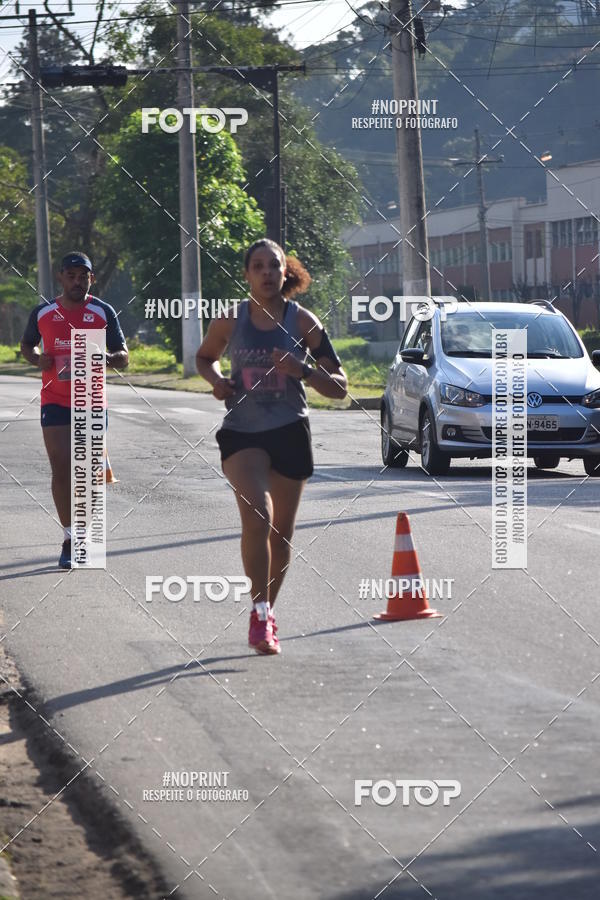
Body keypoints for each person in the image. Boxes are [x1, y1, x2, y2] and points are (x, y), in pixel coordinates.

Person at [196, 238, 348, 655]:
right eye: (257, 266)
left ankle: (264, 612)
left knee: (281, 536)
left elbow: (340, 388)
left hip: (289, 432)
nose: (266, 273)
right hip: (242, 433)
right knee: (258, 517)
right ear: (246, 274)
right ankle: (261, 613)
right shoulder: (229, 320)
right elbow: (205, 357)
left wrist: (301, 369)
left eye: (273, 266)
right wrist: (217, 382)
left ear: (286, 273)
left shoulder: (303, 323)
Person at [20, 251, 128, 569]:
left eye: (84, 276)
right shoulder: (43, 312)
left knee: (88, 475)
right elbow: (28, 345)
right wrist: (36, 358)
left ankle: (82, 532)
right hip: (54, 400)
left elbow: (123, 354)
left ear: (91, 279)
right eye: (72, 275)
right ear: (61, 278)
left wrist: (105, 359)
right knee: (62, 470)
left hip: (92, 400)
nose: (78, 281)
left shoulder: (102, 311)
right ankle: (70, 537)